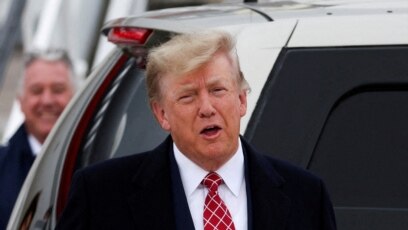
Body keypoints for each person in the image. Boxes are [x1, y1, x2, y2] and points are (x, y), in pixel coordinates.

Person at [56, 31, 336, 230]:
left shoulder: (307, 196)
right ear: (161, 114)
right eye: (188, 96)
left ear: (241, 99)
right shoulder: (101, 195)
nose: (207, 108)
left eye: (218, 90)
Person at [0, 50, 76, 229]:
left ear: (75, 96)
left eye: (58, 90)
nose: (47, 100)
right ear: (21, 101)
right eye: (36, 90)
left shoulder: (101, 160)